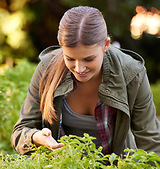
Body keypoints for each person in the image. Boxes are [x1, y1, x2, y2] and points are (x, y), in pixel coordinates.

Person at [11, 6, 160, 157]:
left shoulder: (131, 73)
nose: (79, 68)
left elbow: (150, 141)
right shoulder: (47, 69)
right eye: (70, 58)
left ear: (106, 45)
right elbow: (20, 131)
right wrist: (36, 137)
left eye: (89, 59)